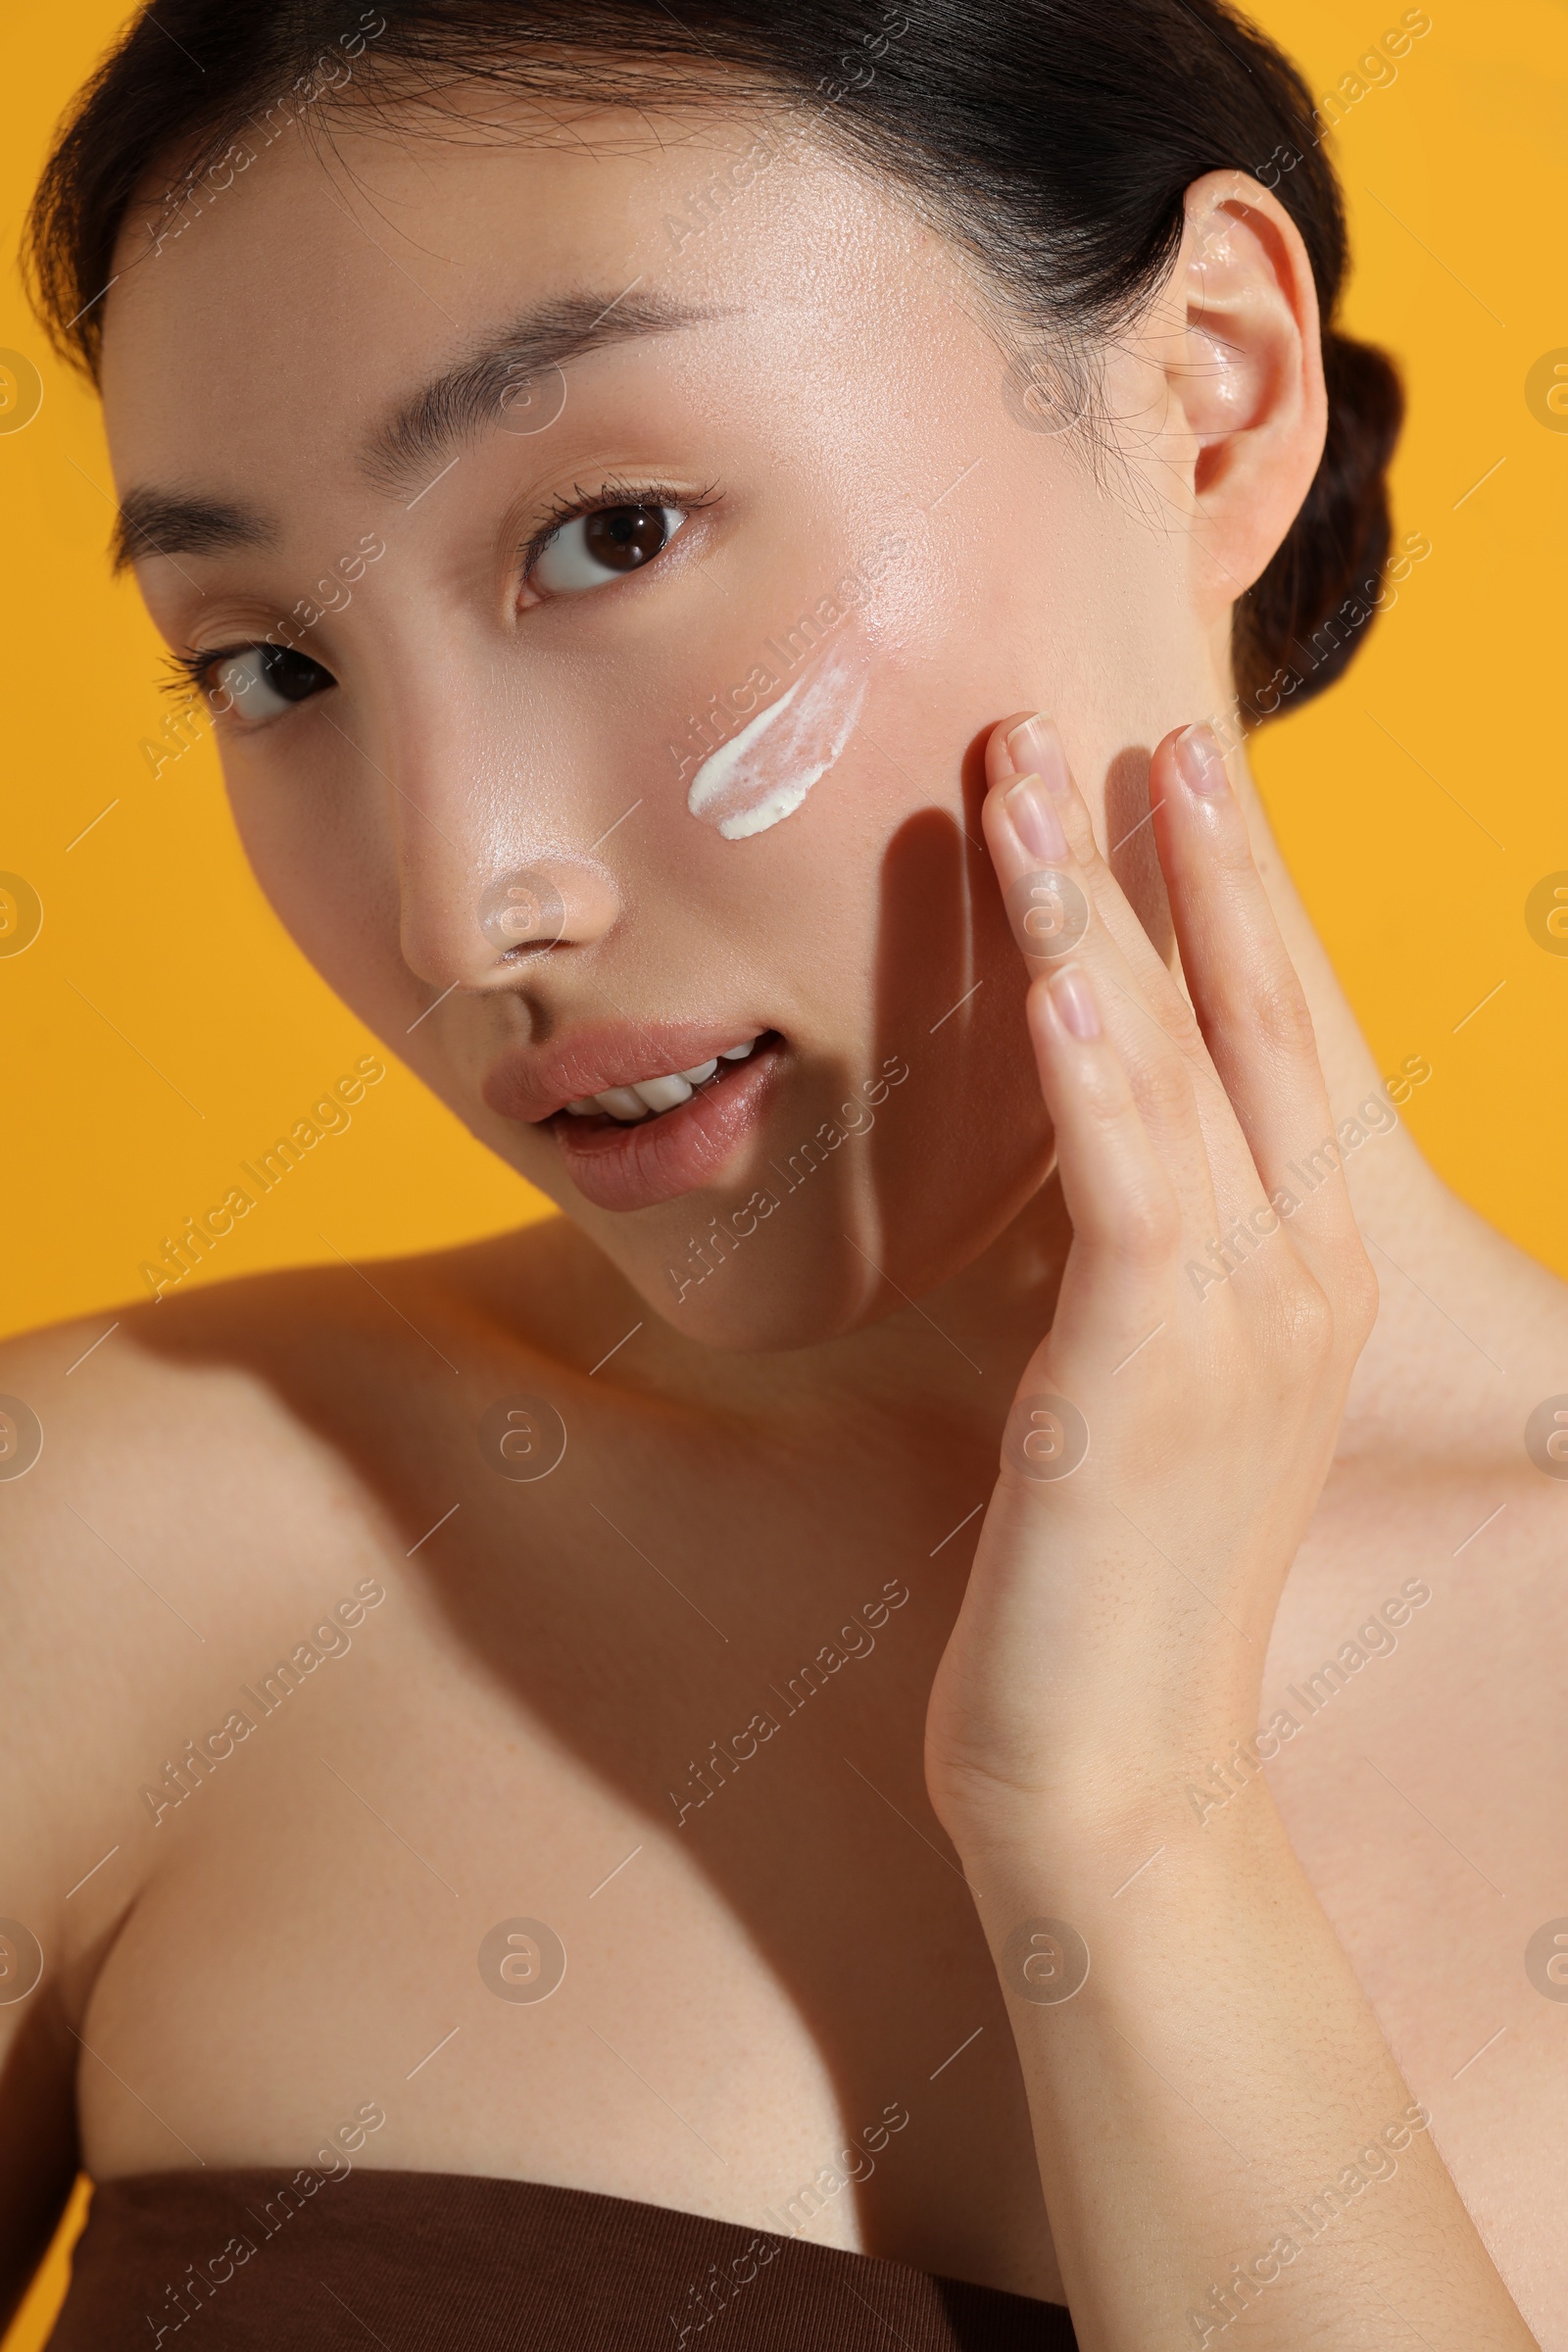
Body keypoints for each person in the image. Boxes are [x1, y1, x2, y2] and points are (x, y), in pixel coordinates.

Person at [2, 2, 1558, 2344]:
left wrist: (1123, 1829)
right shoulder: (110, 1557)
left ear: (1208, 391)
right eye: (268, 669)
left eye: (608, 535)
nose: (465, 906)